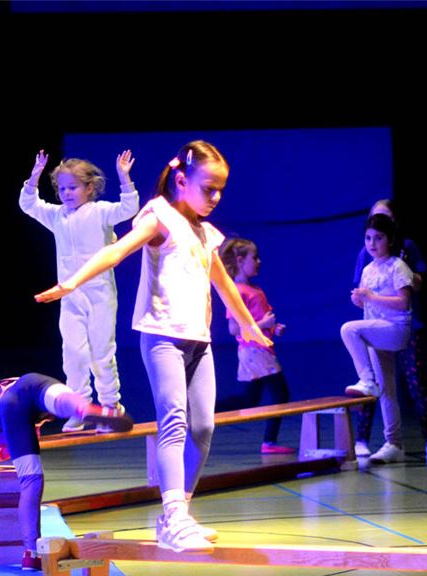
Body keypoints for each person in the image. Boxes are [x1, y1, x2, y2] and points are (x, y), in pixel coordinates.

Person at [36, 140, 271, 553]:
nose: (215, 198)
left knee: (204, 426)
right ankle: (175, 515)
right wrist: (73, 281)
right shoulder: (158, 214)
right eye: (208, 188)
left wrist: (248, 324)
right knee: (175, 420)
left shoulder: (205, 232)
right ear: (181, 181)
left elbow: (224, 284)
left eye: (220, 191)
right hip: (162, 336)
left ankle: (176, 515)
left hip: (200, 341)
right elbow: (117, 250)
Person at [0, 366, 134, 570]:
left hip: (7, 411)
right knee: (56, 396)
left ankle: (31, 553)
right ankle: (82, 409)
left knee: (31, 480)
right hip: (26, 383)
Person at [20, 149, 139, 432]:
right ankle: (80, 407)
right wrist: (35, 174)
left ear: (90, 187)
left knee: (101, 351)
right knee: (72, 352)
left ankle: (110, 406)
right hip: (70, 297)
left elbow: (128, 208)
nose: (66, 193)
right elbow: (28, 204)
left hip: (99, 294)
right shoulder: (57, 215)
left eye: (73, 187)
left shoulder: (100, 212)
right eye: (62, 188)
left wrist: (125, 177)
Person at [350, 200, 427, 458]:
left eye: (383, 223)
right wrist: (361, 297)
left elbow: (413, 287)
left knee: (415, 382)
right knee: (378, 383)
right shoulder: (366, 258)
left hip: (403, 325)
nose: (372, 241)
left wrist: (403, 274)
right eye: (370, 230)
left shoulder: (404, 252)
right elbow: (362, 290)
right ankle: (369, 440)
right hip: (378, 325)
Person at [341, 213, 414, 463]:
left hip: (395, 329)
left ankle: (366, 379)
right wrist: (360, 299)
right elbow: (369, 306)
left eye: (378, 238)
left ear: (390, 240)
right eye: (368, 238)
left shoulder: (398, 266)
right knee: (387, 391)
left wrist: (370, 297)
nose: (372, 243)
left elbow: (404, 302)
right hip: (378, 333)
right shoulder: (368, 269)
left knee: (348, 330)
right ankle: (394, 444)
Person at [219, 237, 295, 455]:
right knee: (281, 394)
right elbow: (234, 329)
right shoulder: (237, 291)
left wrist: (274, 328)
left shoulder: (256, 291)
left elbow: (260, 321)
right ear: (241, 261)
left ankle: (202, 412)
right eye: (255, 257)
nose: (259, 261)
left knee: (248, 399)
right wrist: (264, 324)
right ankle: (269, 442)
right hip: (254, 351)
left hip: (259, 349)